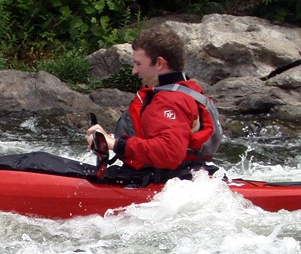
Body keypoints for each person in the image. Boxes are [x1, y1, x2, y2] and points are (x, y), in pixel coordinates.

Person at [86, 26, 222, 176]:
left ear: (159, 63)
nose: (134, 71)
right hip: (185, 177)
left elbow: (169, 153)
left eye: (138, 64)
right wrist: (108, 139)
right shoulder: (186, 90)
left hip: (164, 182)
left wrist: (114, 144)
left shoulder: (169, 100)